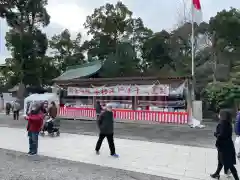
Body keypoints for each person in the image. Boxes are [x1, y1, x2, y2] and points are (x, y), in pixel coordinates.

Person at [210, 110, 239, 180]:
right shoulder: (228, 123)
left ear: (223, 115)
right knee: (221, 160)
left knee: (229, 164)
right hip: (226, 145)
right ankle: (217, 174)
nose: (219, 115)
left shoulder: (223, 123)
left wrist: (216, 134)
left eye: (220, 114)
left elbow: (222, 135)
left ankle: (237, 178)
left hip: (224, 146)